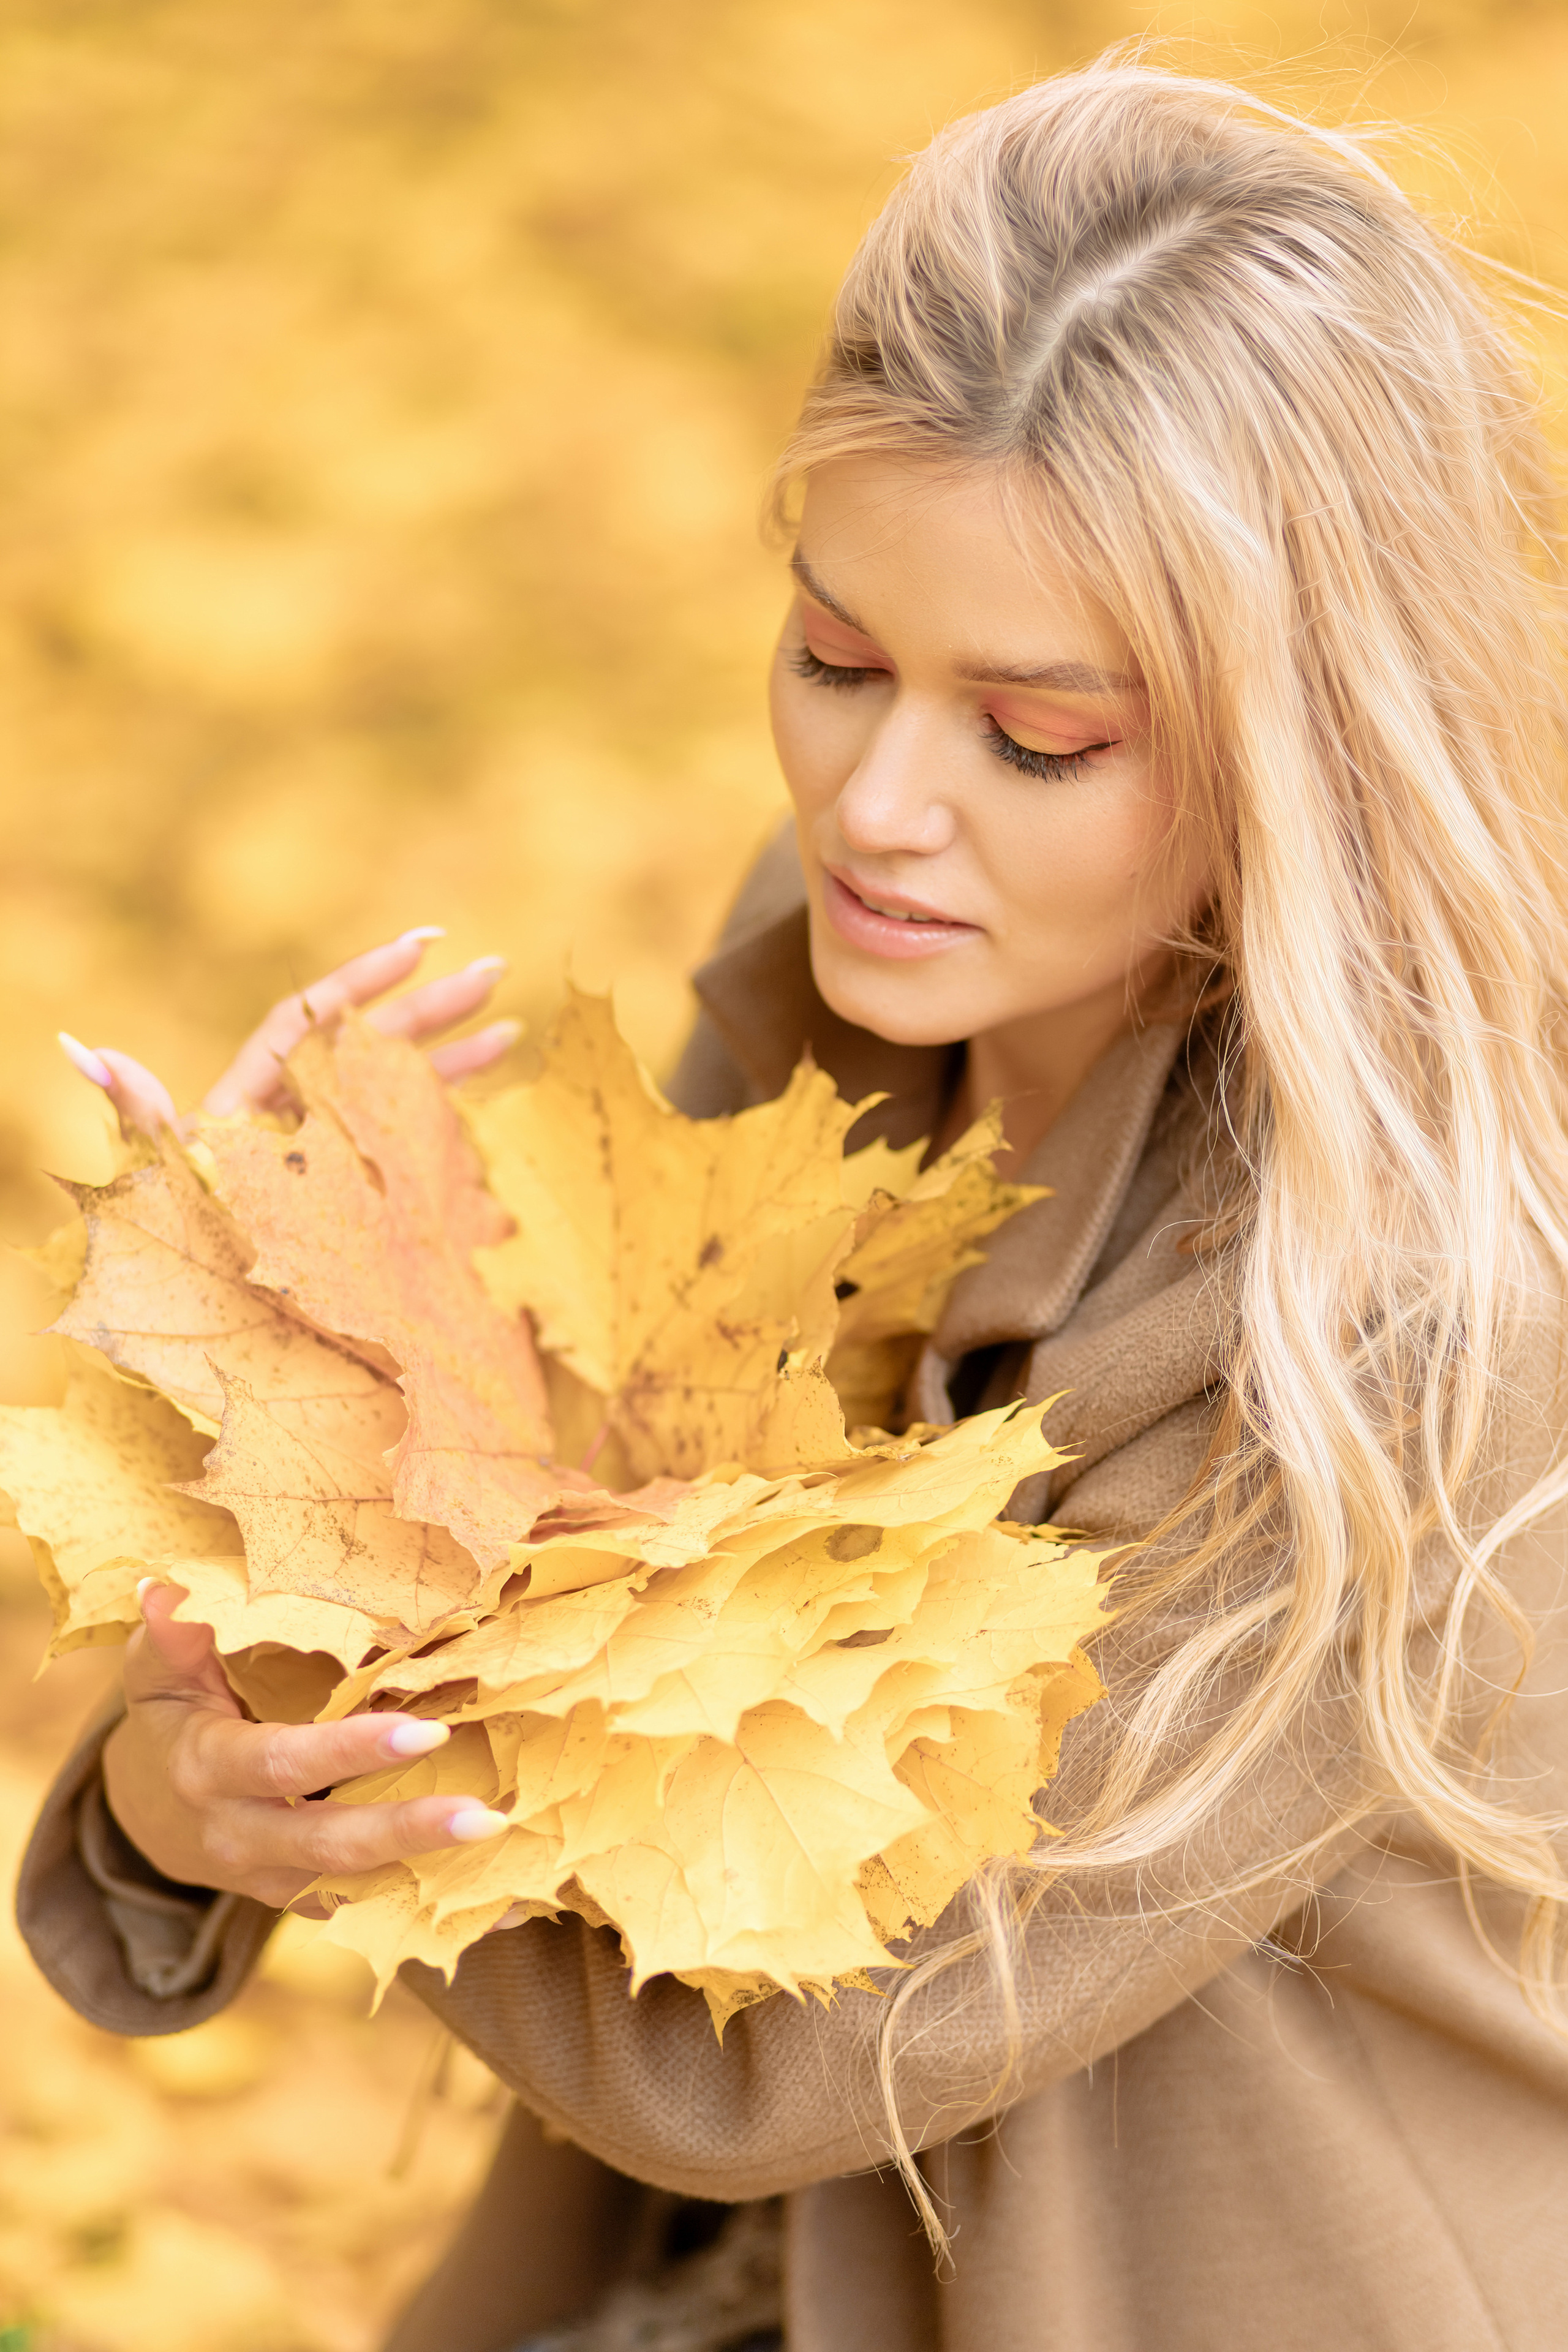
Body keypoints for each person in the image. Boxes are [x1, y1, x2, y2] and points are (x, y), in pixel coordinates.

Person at [20, 52, 1568, 2352]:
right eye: (836, 658)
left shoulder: (1434, 1302)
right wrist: (214, 1705)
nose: (877, 804)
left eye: (1035, 737)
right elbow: (570, 1611)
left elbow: (788, 2031)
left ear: (1313, 745)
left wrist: (298, 1481)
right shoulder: (862, 990)